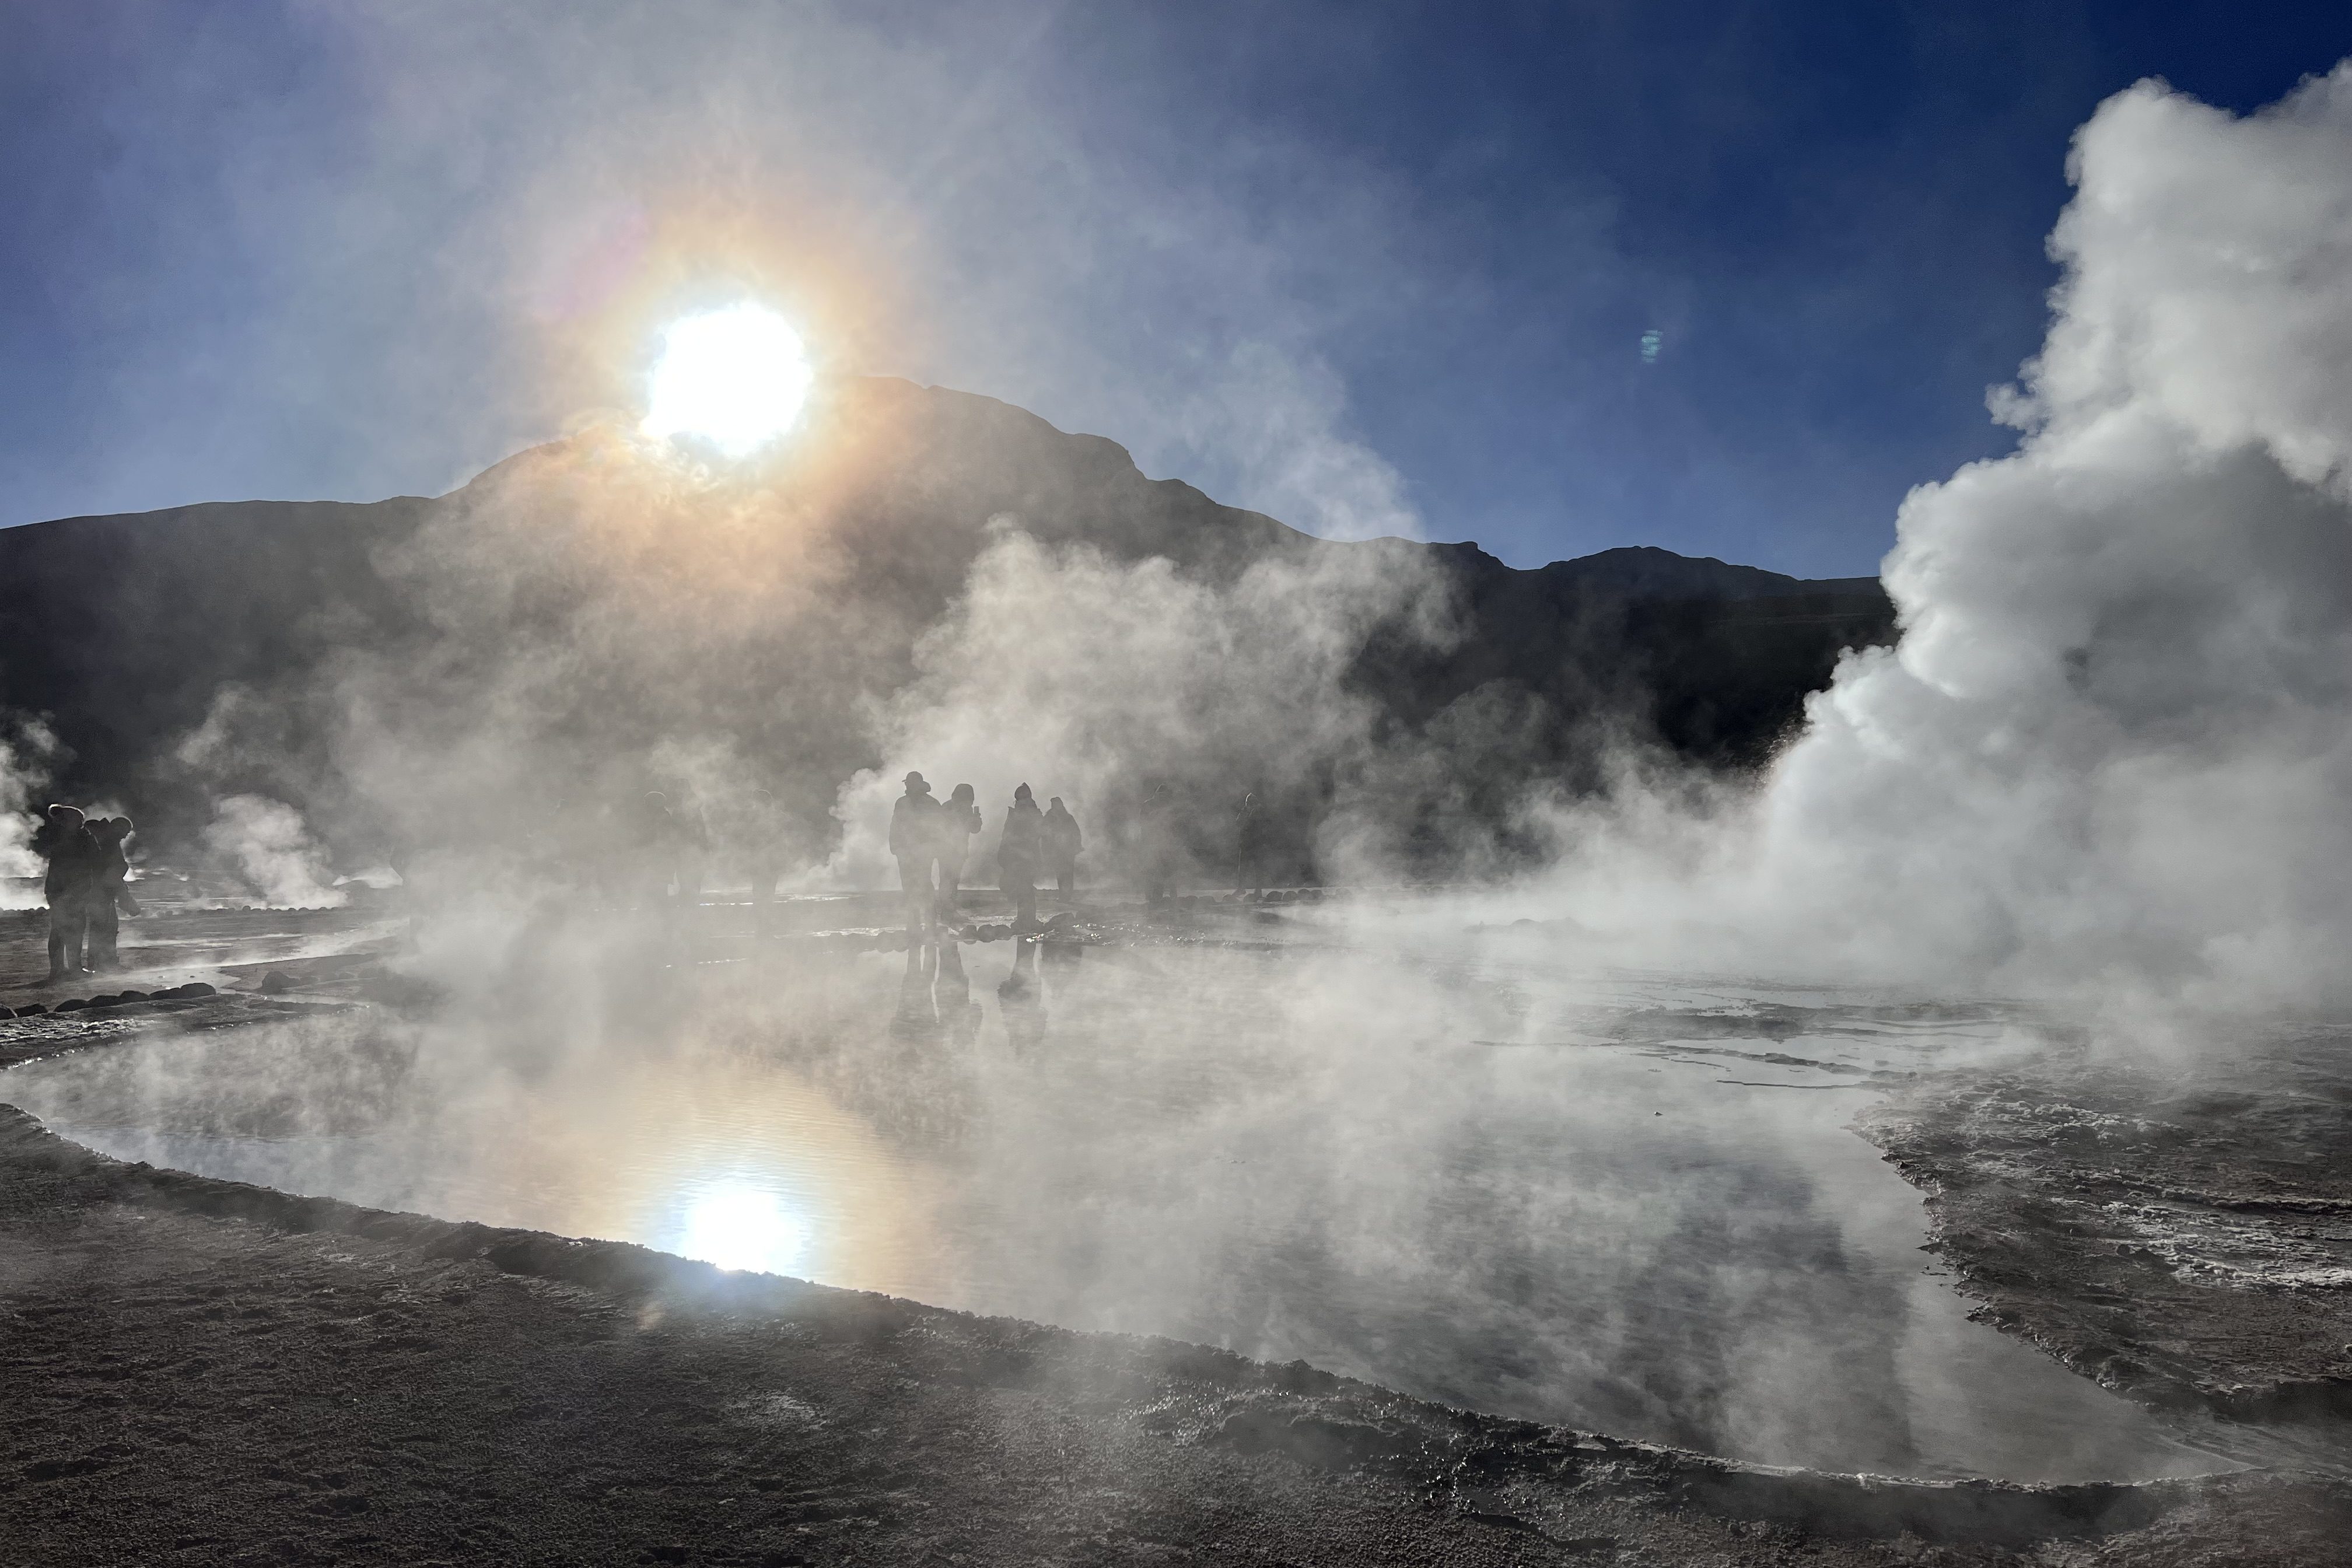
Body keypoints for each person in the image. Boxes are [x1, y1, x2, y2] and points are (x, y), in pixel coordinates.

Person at [30, 804, 98, 982]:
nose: (81, 823)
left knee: (60, 930)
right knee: (73, 930)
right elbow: (94, 860)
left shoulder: (58, 838)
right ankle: (73, 969)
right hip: (72, 890)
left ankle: (59, 970)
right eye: (79, 820)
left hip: (59, 890)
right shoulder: (80, 839)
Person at [85, 816, 141, 971]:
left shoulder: (106, 840)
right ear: (118, 829)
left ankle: (100, 962)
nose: (124, 837)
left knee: (104, 928)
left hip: (102, 892)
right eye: (124, 832)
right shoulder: (107, 843)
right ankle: (105, 964)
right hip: (101, 893)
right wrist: (124, 897)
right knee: (105, 929)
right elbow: (111, 873)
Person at [888, 772, 940, 933]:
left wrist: (933, 848)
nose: (908, 786)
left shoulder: (931, 803)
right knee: (908, 884)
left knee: (924, 883)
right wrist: (895, 846)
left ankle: (930, 918)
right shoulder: (902, 803)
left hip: (924, 851)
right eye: (907, 783)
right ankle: (913, 919)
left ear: (918, 784)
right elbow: (895, 825)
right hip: (905, 851)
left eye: (910, 783)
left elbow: (939, 828)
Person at [995, 782, 1045, 929]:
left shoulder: (1029, 814)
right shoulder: (1027, 813)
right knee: (1024, 889)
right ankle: (1025, 920)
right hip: (1020, 856)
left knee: (1025, 889)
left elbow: (1034, 835)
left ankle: (1026, 920)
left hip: (1024, 857)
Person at [933, 783, 983, 915]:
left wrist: (976, 821)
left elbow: (974, 830)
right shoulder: (948, 808)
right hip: (947, 851)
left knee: (954, 881)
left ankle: (949, 910)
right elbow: (943, 829)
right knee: (947, 881)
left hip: (959, 851)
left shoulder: (966, 809)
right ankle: (947, 911)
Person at [1042, 796, 1082, 900]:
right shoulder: (1050, 818)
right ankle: (1064, 895)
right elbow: (1045, 835)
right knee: (1062, 873)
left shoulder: (1067, 818)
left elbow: (1076, 833)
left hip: (1067, 850)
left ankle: (1066, 895)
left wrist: (1077, 845)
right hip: (1058, 851)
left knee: (1067, 873)